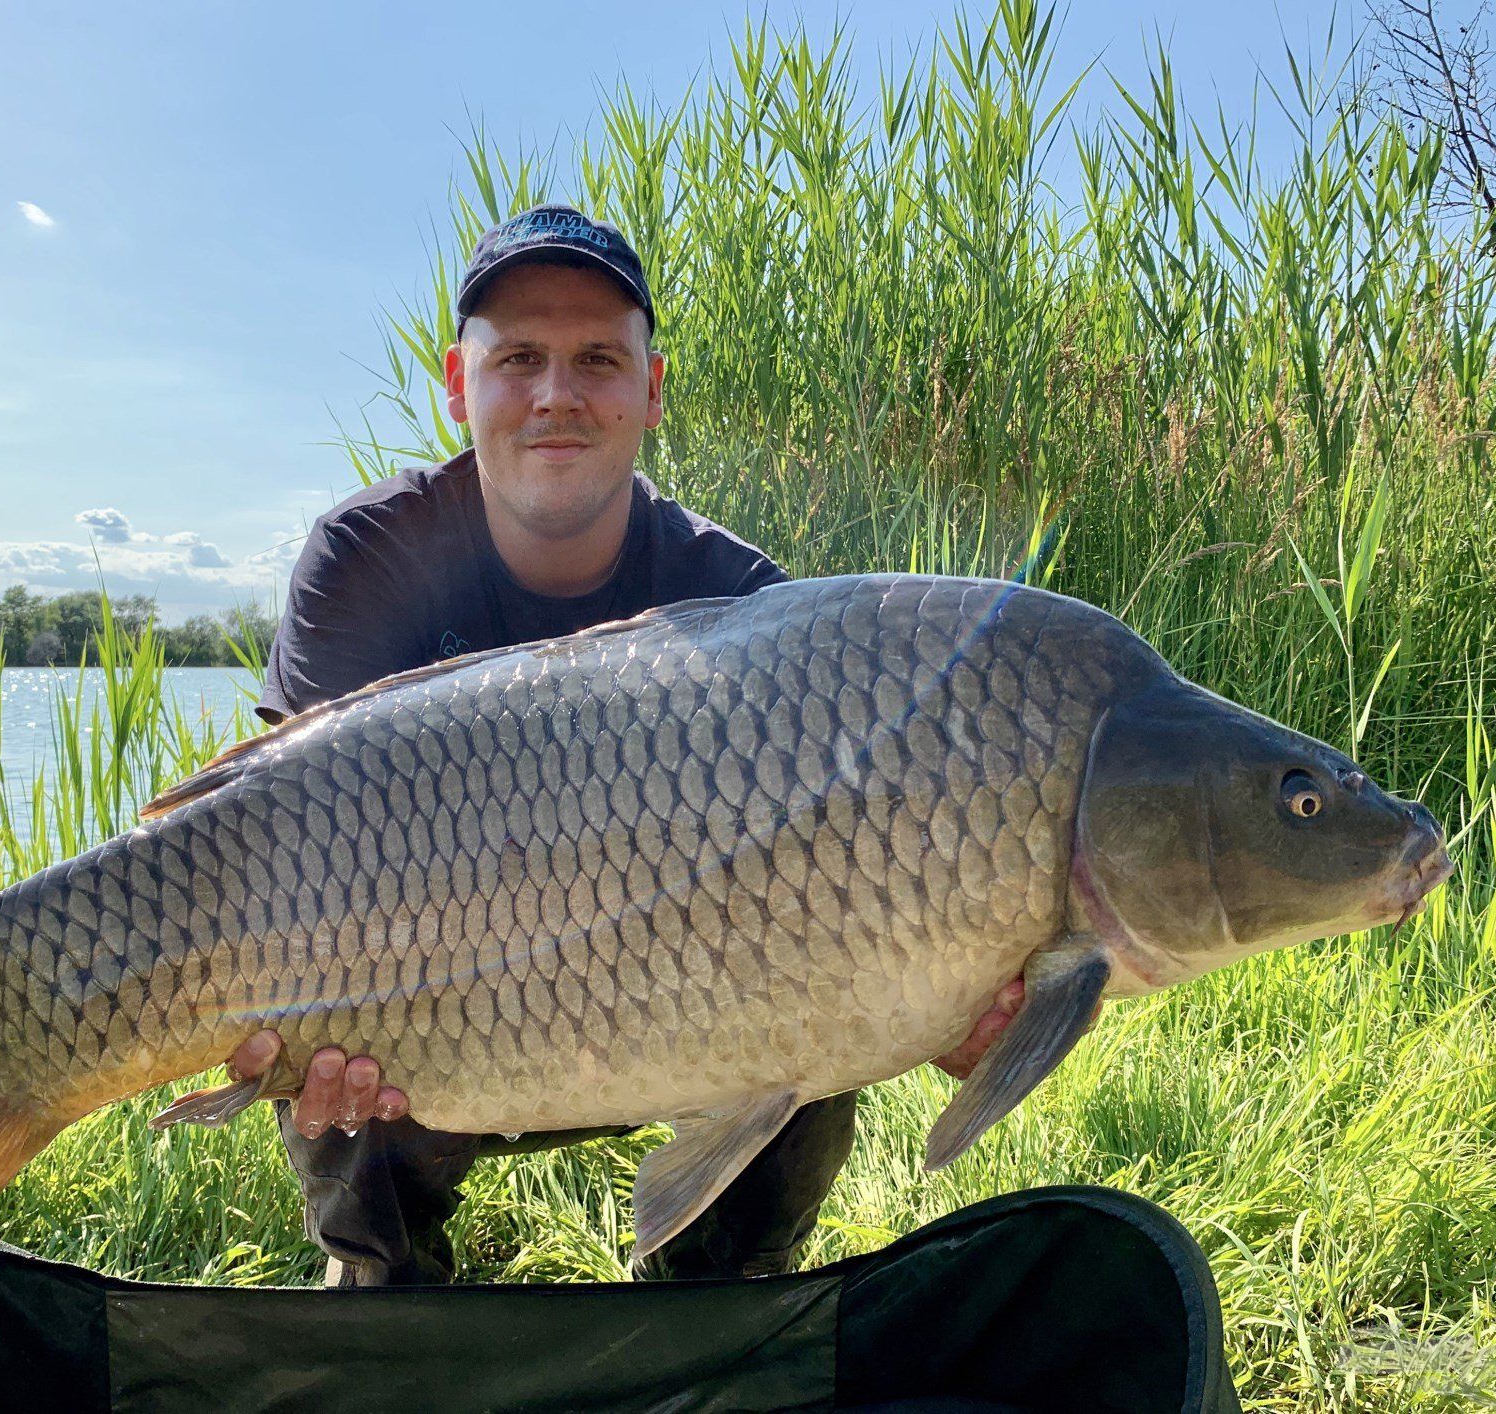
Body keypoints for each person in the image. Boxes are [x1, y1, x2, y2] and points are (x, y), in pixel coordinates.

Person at [224, 204, 1031, 1287]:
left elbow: (846, 872)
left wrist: (949, 1000)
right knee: (338, 1066)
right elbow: (278, 843)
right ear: (459, 388)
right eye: (519, 358)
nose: (558, 393)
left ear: (651, 389)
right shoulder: (371, 555)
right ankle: (384, 1291)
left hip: (670, 1014)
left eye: (599, 357)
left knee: (814, 1051)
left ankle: (700, 1315)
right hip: (430, 1024)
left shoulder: (743, 601)